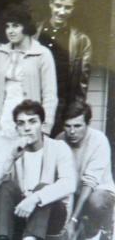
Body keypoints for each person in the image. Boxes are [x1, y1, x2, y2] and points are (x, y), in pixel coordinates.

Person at [0, 100, 77, 240]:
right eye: (21, 123)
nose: (27, 128)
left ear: (42, 125)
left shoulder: (59, 147)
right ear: (16, 128)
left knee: (42, 188)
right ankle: (3, 237)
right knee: (6, 186)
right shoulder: (14, 150)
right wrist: (10, 158)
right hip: (22, 214)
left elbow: (69, 184)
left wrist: (35, 198)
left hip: (52, 215)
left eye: (32, 122)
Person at [0, 3, 58, 135]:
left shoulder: (42, 54)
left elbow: (50, 95)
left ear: (26, 26)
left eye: (15, 26)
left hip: (29, 121)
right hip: (4, 118)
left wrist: (45, 127)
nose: (10, 31)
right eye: (7, 26)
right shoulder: (1, 53)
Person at [35, 0, 92, 137]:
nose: (61, 12)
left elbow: (82, 85)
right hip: (34, 103)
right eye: (58, 5)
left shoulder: (81, 41)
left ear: (74, 8)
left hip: (62, 108)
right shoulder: (35, 34)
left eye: (67, 7)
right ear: (50, 4)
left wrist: (74, 114)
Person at [57, 101, 115, 240]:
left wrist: (73, 219)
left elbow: (89, 183)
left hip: (98, 192)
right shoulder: (59, 140)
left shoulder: (99, 140)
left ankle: (101, 230)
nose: (72, 131)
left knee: (95, 201)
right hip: (73, 193)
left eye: (77, 126)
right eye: (68, 126)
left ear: (87, 124)